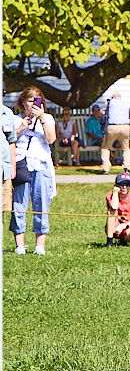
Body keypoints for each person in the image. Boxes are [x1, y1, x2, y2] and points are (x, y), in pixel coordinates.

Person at [9, 87, 57, 255]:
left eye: (37, 100)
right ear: (22, 102)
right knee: (19, 204)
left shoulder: (48, 118)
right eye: (30, 100)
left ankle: (39, 246)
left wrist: (42, 118)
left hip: (41, 164)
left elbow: (51, 139)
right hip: (21, 165)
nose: (33, 104)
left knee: (41, 204)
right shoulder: (15, 120)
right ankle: (20, 245)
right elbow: (7, 140)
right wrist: (23, 126)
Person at [105, 170, 130, 246]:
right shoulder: (111, 195)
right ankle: (109, 242)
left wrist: (123, 226)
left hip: (127, 225)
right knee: (111, 212)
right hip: (113, 225)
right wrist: (115, 192)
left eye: (127, 184)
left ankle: (123, 239)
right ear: (116, 185)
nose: (124, 187)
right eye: (122, 184)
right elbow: (114, 207)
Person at [101, 91, 130, 174]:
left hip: (113, 126)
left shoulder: (110, 103)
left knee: (106, 147)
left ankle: (106, 168)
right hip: (125, 126)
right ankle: (127, 166)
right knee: (126, 148)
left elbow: (104, 113)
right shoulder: (125, 103)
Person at [2, 100, 17, 224]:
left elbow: (12, 142)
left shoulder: (7, 113)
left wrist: (13, 168)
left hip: (3, 171)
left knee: (1, 211)